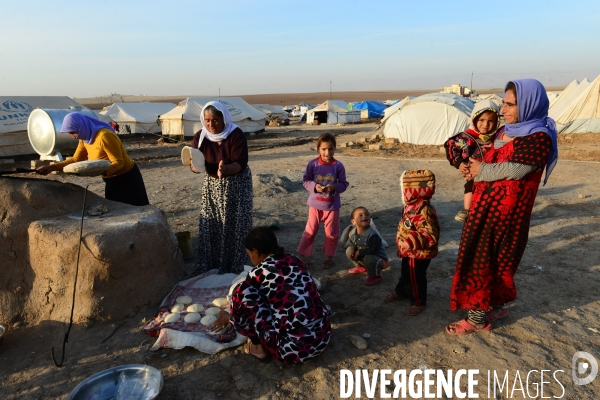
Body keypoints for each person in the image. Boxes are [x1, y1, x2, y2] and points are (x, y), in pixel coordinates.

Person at [447, 79, 558, 335]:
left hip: (507, 215)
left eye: (510, 104)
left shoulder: (539, 137)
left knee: (487, 262)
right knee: (487, 258)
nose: (503, 110)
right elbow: (491, 157)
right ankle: (494, 306)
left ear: (529, 105)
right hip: (484, 207)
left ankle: (477, 319)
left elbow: (518, 169)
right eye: (503, 103)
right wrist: (470, 166)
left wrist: (481, 170)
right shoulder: (505, 131)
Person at [212, 227, 331, 364]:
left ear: (256, 252)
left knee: (241, 291)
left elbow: (247, 306)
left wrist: (230, 317)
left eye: (249, 253)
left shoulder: (257, 274)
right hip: (323, 337)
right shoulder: (293, 259)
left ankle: (258, 348)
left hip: (292, 351)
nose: (250, 258)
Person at [190, 101, 252, 275]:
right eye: (207, 120)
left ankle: (234, 263)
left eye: (215, 120)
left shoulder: (235, 135)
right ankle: (211, 262)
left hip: (237, 184)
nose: (211, 125)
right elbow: (195, 163)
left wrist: (225, 170)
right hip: (212, 185)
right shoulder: (200, 137)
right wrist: (195, 167)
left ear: (224, 118)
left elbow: (240, 163)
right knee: (212, 222)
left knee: (235, 222)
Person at [36, 112, 149, 206]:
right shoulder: (85, 138)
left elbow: (118, 163)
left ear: (81, 126)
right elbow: (76, 159)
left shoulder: (104, 136)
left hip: (127, 178)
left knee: (135, 209)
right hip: (110, 180)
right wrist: (51, 167)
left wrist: (96, 170)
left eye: (73, 132)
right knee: (117, 210)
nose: (73, 136)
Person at [384, 170, 439, 316]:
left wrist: (410, 241)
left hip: (419, 252)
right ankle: (401, 291)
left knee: (415, 276)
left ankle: (419, 301)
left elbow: (430, 235)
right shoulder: (412, 206)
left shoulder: (423, 210)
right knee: (406, 272)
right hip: (409, 251)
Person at [297, 133, 349, 269]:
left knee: (332, 233)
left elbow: (344, 184)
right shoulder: (313, 165)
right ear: (318, 149)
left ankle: (329, 257)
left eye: (330, 148)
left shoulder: (338, 166)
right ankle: (301, 255)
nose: (327, 152)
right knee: (310, 230)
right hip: (315, 206)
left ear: (334, 149)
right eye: (324, 149)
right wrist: (315, 187)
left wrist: (334, 187)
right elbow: (305, 181)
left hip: (332, 206)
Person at [444, 100, 501, 222]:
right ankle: (467, 210)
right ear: (474, 119)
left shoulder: (498, 138)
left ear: (497, 122)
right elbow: (452, 147)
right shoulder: (466, 137)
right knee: (471, 185)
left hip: (493, 172)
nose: (485, 124)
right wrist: (459, 163)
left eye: (490, 121)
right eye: (481, 120)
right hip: (474, 173)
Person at [343, 206, 388, 286]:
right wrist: (354, 249)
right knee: (349, 250)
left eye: (367, 214)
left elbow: (374, 250)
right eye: (360, 215)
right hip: (365, 256)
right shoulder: (352, 233)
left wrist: (360, 252)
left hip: (378, 259)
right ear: (353, 221)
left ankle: (375, 275)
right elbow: (353, 243)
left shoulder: (373, 234)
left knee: (369, 258)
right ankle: (362, 267)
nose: (364, 216)